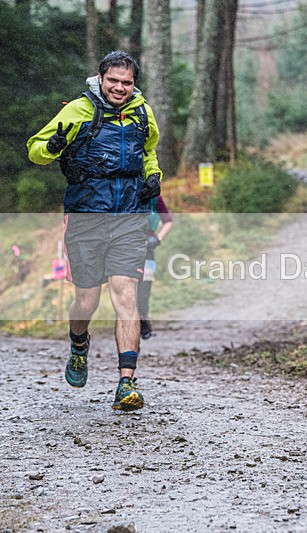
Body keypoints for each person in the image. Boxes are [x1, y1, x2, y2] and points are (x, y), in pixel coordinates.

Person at [27, 51, 162, 412]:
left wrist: (153, 176)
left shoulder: (142, 113)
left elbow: (149, 150)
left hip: (129, 218)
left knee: (125, 295)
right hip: (87, 216)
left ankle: (126, 382)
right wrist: (51, 148)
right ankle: (79, 344)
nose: (120, 88)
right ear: (101, 78)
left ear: (135, 84)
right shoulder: (78, 110)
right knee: (87, 299)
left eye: (127, 82)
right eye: (113, 80)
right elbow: (35, 150)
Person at [138, 195, 173, 340]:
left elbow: (168, 220)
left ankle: (144, 320)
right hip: (127, 250)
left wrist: (157, 239)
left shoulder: (154, 198)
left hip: (149, 252)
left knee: (145, 288)